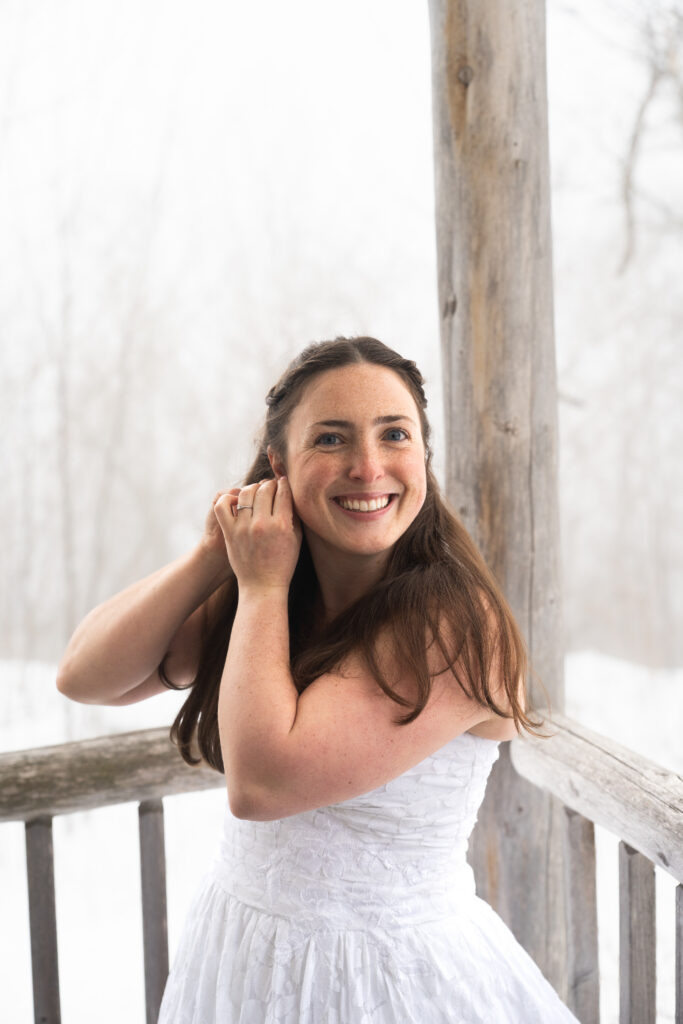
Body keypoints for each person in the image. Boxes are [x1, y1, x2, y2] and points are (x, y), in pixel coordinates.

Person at [57, 336, 579, 1023]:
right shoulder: (267, 589)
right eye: (331, 439)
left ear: (422, 452)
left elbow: (263, 785)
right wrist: (214, 556)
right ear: (279, 464)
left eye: (394, 434)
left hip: (385, 982)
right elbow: (85, 677)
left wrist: (262, 584)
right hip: (243, 953)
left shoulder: (453, 624)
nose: (367, 467)